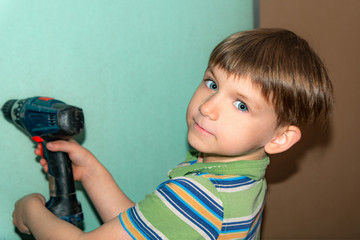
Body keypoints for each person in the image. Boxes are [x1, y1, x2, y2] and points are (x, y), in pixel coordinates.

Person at [12, 28, 334, 239]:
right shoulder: (241, 178)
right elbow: (150, 226)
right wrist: (93, 173)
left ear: (279, 138)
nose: (208, 107)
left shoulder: (203, 195)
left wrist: (30, 211)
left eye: (241, 105)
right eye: (212, 84)